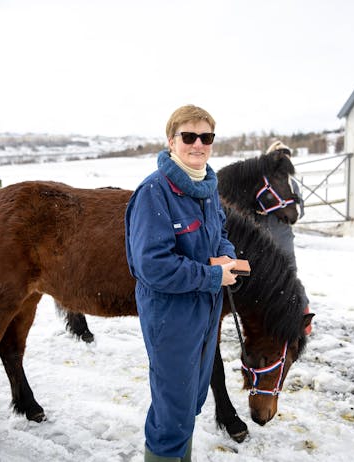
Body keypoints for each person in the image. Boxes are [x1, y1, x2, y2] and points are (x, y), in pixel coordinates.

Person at [125, 105, 239, 462]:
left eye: (206, 137)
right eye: (189, 136)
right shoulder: (154, 193)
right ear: (171, 141)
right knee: (171, 412)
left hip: (204, 311)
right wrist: (213, 276)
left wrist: (226, 255)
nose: (198, 144)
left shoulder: (205, 185)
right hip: (170, 314)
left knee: (190, 402)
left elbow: (219, 234)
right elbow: (152, 266)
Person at [258, 140, 312, 334]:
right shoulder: (261, 183)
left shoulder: (292, 184)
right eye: (279, 155)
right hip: (261, 238)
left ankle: (303, 312)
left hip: (282, 238)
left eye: (286, 155)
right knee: (264, 278)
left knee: (289, 275)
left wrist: (279, 210)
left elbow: (299, 212)